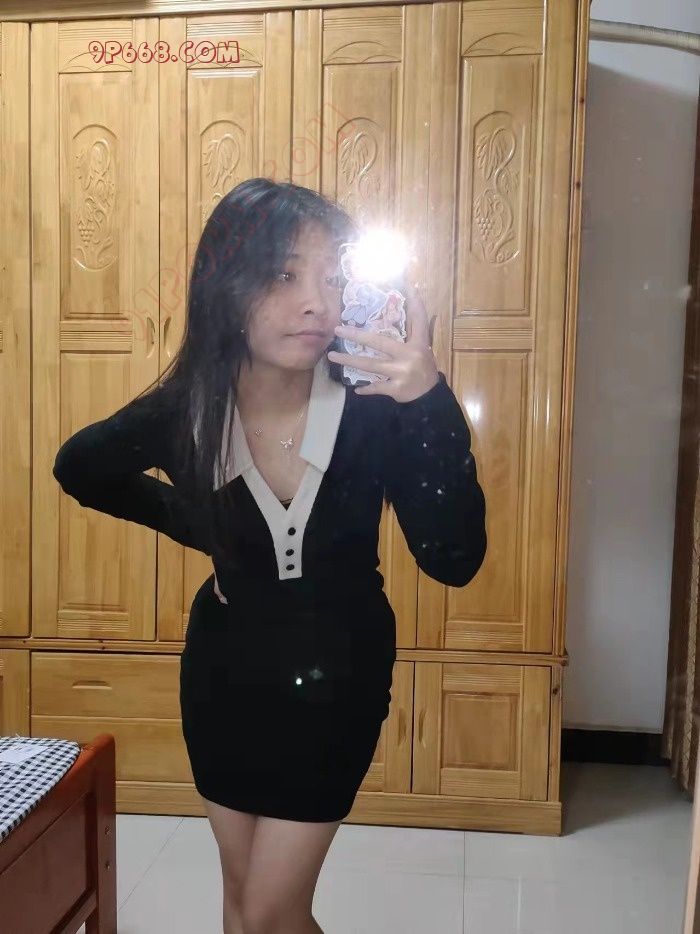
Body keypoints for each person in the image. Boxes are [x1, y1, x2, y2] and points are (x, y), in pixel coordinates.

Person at [52, 178, 487, 934]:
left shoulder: (374, 407)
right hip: (225, 672)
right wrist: (206, 529)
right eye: (285, 275)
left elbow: (453, 557)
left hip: (339, 674)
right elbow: (80, 466)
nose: (317, 303)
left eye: (332, 277)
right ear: (227, 287)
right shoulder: (190, 407)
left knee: (270, 911)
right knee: (242, 895)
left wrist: (429, 403)